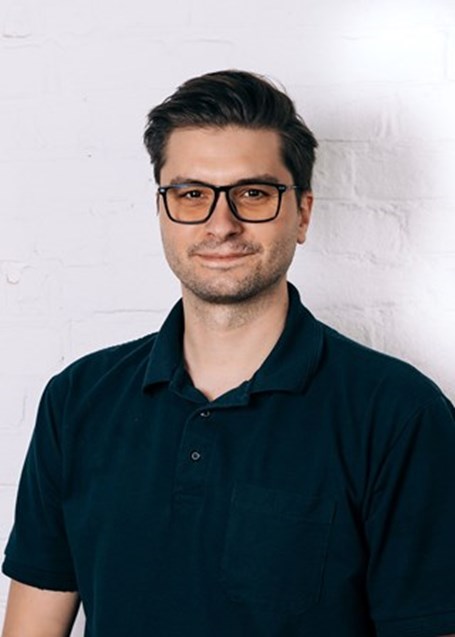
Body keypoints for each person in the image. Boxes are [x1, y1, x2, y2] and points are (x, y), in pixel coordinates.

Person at [2, 70, 455, 637]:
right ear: (162, 211)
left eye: (254, 194)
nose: (222, 224)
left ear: (303, 213)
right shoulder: (77, 400)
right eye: (192, 194)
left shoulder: (399, 414)